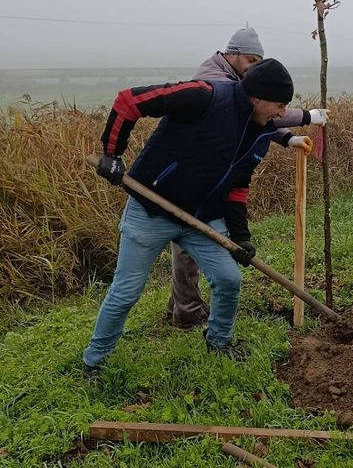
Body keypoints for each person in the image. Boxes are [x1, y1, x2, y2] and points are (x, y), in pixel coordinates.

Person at [83, 58, 297, 375]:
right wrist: (112, 154)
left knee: (228, 279)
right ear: (257, 97)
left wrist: (240, 236)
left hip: (202, 218)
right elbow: (129, 101)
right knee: (126, 292)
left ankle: (219, 342)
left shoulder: (260, 132)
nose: (282, 114)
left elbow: (238, 186)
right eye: (279, 105)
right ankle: (94, 363)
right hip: (152, 209)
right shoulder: (204, 96)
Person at [166, 27, 329, 329]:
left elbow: (259, 118)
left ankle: (180, 302)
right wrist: (307, 116)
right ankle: (187, 313)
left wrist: (287, 138)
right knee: (189, 240)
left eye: (258, 61)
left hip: (212, 171)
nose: (255, 68)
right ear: (233, 53)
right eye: (252, 60)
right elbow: (250, 112)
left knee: (192, 238)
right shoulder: (216, 80)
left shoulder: (237, 77)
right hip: (192, 169)